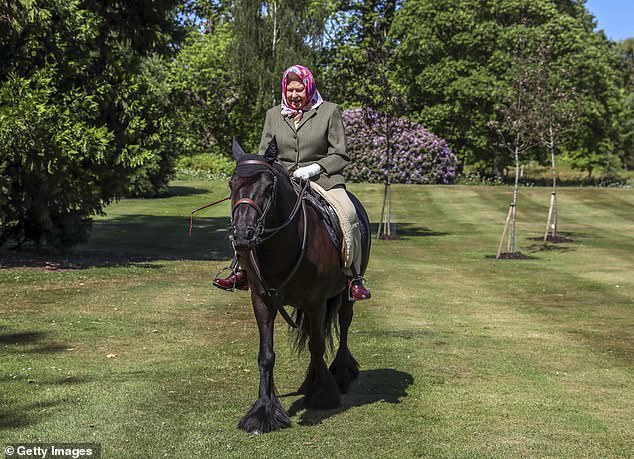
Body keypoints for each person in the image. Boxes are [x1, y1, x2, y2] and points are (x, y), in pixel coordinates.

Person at [214, 65, 370, 301]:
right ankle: (241, 270)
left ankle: (353, 276)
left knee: (348, 214)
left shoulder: (329, 111)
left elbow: (340, 154)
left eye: (299, 90)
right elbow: (265, 155)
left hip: (323, 179)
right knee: (247, 214)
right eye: (290, 90)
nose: (295, 95)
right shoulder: (273, 115)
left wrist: (315, 168)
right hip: (283, 180)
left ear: (309, 88)